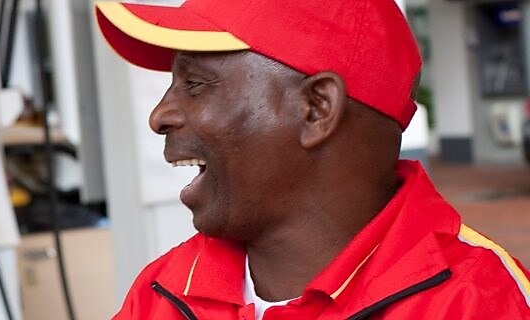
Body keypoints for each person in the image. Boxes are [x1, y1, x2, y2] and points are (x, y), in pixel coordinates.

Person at [91, 0, 530, 319]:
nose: (160, 116)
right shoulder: (160, 293)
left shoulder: (479, 302)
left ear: (317, 107)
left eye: (195, 84)